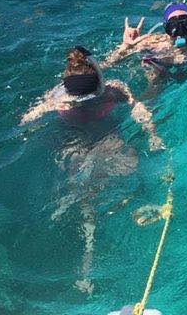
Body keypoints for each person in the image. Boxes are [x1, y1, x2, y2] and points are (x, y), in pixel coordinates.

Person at [20, 47, 164, 293]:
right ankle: (90, 251)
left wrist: (30, 130)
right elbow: (140, 111)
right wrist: (153, 136)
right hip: (108, 140)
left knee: (81, 191)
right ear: (98, 78)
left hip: (71, 144)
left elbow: (27, 120)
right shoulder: (113, 90)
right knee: (107, 185)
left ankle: (83, 242)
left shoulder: (58, 97)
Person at [103, 0, 187, 119]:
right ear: (165, 27)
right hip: (162, 71)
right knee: (157, 79)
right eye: (173, 27)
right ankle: (142, 115)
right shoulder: (154, 41)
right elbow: (108, 64)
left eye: (185, 25)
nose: (179, 32)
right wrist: (125, 47)